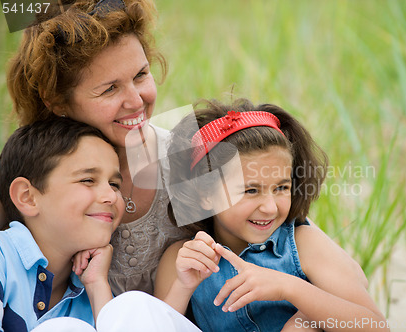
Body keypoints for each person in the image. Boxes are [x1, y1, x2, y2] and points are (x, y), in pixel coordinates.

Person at [0, 0, 190, 296]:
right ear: (56, 101)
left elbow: (273, 239)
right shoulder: (23, 175)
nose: (137, 101)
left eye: (141, 75)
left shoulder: (188, 156)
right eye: (110, 89)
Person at [154, 98, 389, 332]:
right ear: (205, 194)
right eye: (251, 190)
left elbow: (376, 327)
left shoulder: (303, 244)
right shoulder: (183, 260)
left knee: (304, 324)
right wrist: (182, 288)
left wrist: (289, 287)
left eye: (281, 188)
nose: (270, 207)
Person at [0, 116, 123, 331]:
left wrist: (96, 286)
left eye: (114, 184)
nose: (110, 196)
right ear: (27, 197)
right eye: (88, 180)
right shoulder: (1, 256)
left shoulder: (91, 293)